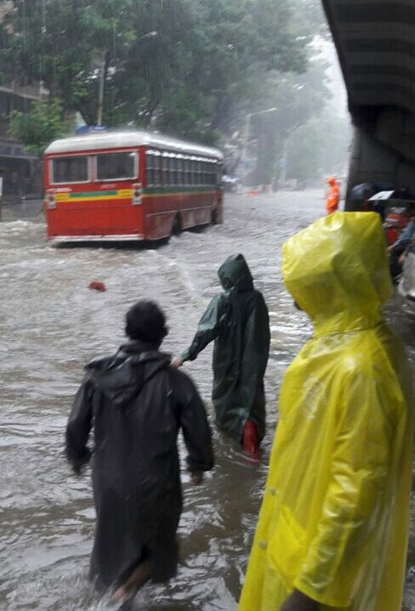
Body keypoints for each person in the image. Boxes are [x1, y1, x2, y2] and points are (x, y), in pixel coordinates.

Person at [239, 212, 414, 611]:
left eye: (303, 285)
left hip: (319, 580)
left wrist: (310, 591)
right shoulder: (341, 345)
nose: (295, 297)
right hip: (295, 543)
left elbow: (357, 489)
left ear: (330, 285)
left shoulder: (362, 368)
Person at [65, 300, 213, 604]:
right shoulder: (176, 381)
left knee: (112, 545)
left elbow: (76, 423)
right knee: (160, 548)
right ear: (163, 335)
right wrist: (198, 464)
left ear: (127, 332)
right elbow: (198, 427)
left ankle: (110, 592)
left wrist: (77, 457)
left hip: (108, 481)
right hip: (156, 482)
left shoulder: (98, 376)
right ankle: (124, 594)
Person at [171, 254, 270, 456]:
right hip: (254, 364)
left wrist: (185, 355)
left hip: (227, 363)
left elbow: (206, 331)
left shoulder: (223, 301)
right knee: (250, 400)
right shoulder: (258, 299)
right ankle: (252, 449)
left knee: (228, 405)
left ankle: (242, 451)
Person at [388, 204, 414, 279]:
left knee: (395, 251)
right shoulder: (411, 223)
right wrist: (394, 244)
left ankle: (397, 274)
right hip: (409, 244)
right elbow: (406, 235)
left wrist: (405, 253)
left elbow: (411, 240)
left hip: (411, 246)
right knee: (395, 248)